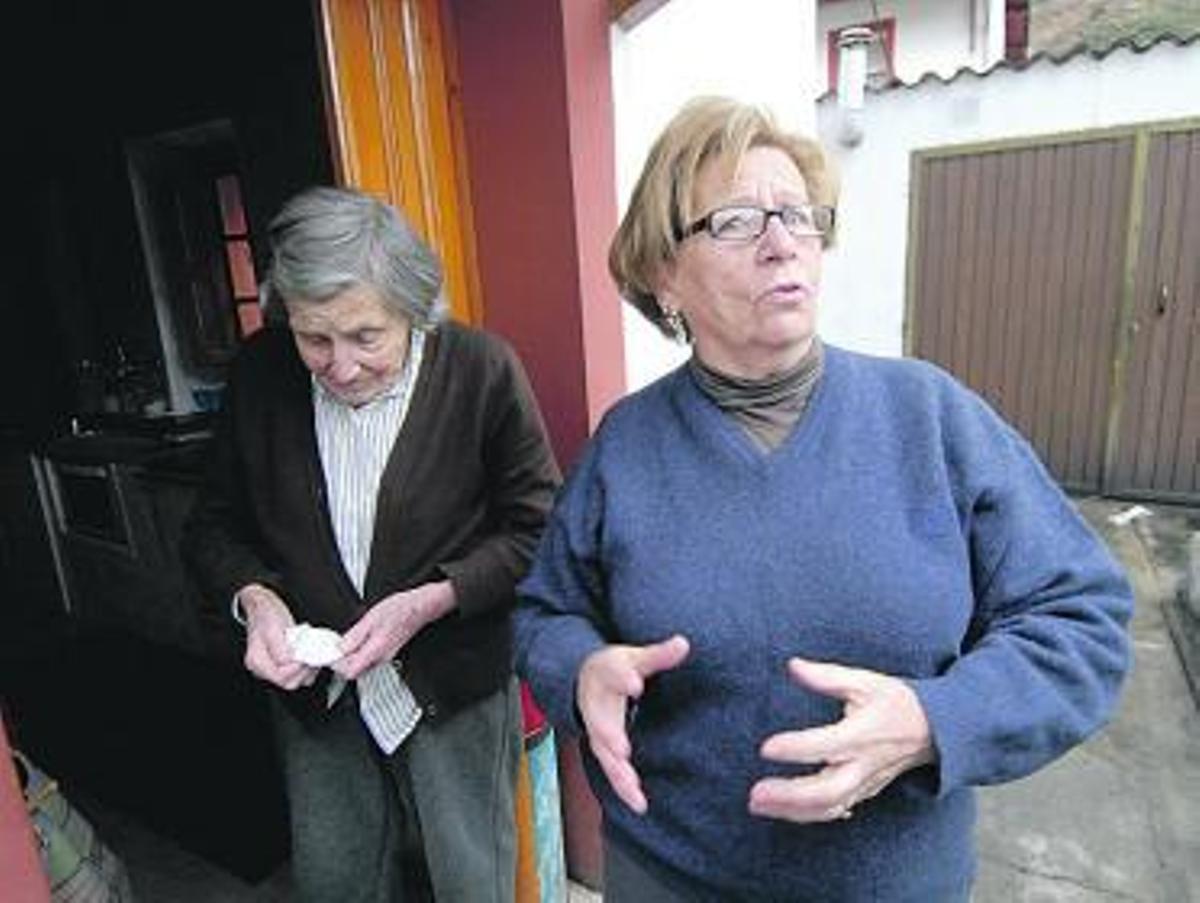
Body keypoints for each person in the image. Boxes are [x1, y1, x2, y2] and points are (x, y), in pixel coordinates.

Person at [513, 97, 1133, 902]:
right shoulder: (625, 446)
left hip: (895, 884)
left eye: (798, 215)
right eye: (736, 220)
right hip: (669, 877)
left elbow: (1081, 618)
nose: (781, 241)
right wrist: (580, 668)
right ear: (665, 272)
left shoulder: (929, 417)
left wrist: (934, 719)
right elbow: (544, 613)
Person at [184, 186, 560, 902]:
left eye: (366, 336)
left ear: (416, 313)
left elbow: (539, 529)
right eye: (314, 338)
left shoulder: (481, 371)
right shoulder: (262, 376)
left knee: (469, 880)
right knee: (336, 879)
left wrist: (433, 599)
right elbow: (211, 523)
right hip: (316, 696)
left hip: (451, 680)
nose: (341, 365)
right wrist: (256, 601)